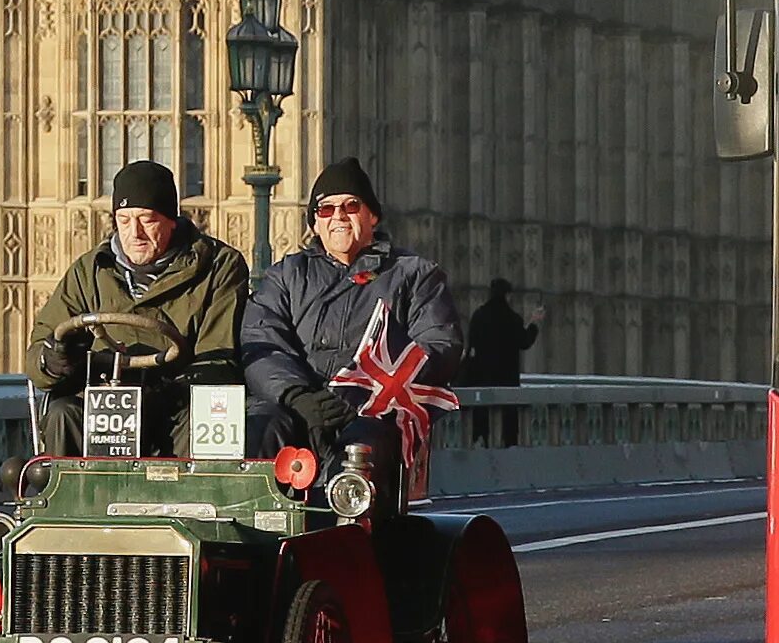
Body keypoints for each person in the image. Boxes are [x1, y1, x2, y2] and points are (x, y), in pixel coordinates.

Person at [241, 157, 463, 496]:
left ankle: (349, 535)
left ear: (372, 215)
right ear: (314, 223)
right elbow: (261, 341)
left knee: (361, 452)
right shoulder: (285, 275)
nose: (339, 216)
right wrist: (298, 396)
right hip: (295, 406)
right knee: (259, 429)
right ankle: (252, 535)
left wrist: (363, 394)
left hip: (371, 411)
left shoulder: (414, 275)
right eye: (326, 210)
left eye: (350, 206)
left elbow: (438, 344)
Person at [31, 158, 250, 456]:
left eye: (146, 220)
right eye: (124, 220)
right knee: (63, 413)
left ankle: (188, 501)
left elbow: (219, 353)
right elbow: (41, 346)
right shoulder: (90, 270)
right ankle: (72, 498)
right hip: (107, 395)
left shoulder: (218, 265)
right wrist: (52, 360)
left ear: (171, 220)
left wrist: (161, 387)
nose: (134, 233)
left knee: (205, 418)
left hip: (177, 399)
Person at [462, 278, 539, 388]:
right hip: (506, 380)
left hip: (481, 379)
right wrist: (533, 324)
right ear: (507, 295)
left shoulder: (479, 316)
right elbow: (524, 341)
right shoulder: (512, 319)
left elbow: (472, 343)